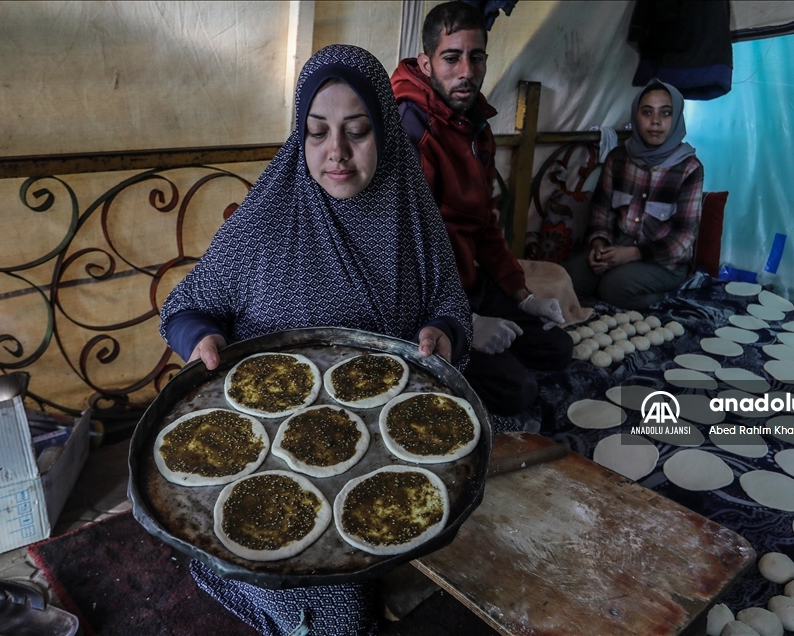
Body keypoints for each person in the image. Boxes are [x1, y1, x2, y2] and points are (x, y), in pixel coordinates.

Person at [159, 44, 472, 636]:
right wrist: (201, 338)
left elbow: (449, 303)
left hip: (384, 440)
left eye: (357, 130)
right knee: (339, 614)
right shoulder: (267, 220)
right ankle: (237, 576)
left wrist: (444, 332)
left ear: (384, 130)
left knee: (463, 530)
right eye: (317, 131)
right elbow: (186, 306)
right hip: (269, 450)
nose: (337, 152)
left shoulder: (411, 211)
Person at [390, 1, 572, 417]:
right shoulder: (410, 129)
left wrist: (522, 295)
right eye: (451, 58)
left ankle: (491, 351)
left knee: (558, 347)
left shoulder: (475, 125)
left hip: (470, 282)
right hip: (429, 301)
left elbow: (485, 224)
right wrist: (466, 322)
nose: (466, 72)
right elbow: (403, 253)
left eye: (476, 57)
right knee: (518, 390)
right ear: (426, 63)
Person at [563, 79, 704, 311]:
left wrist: (632, 254)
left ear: (677, 117)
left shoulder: (689, 168)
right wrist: (599, 246)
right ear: (636, 116)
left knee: (614, 287)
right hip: (616, 251)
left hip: (664, 262)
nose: (655, 121)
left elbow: (683, 237)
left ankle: (668, 296)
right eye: (647, 112)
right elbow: (601, 213)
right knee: (567, 278)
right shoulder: (618, 158)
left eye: (666, 113)